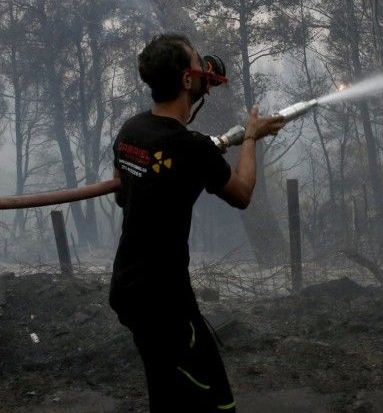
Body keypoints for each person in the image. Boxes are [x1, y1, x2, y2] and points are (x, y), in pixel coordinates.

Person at [109, 33, 285, 411]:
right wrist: (251, 138)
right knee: (213, 400)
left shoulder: (131, 130)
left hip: (127, 287)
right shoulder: (190, 147)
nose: (206, 67)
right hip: (164, 300)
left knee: (166, 388)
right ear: (187, 80)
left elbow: (122, 194)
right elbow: (241, 194)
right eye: (196, 61)